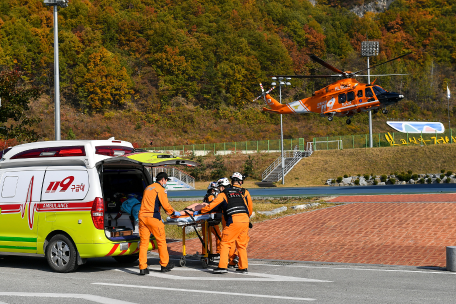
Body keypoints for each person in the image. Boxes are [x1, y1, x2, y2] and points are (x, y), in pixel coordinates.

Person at [196, 172, 253, 274]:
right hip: (245, 220)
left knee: (225, 243)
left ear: (221, 188)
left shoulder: (223, 194)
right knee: (241, 245)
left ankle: (222, 266)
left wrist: (200, 211)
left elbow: (211, 206)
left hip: (233, 221)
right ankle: (243, 267)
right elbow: (248, 208)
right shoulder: (240, 193)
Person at [138, 172, 180, 275]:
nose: (166, 182)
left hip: (142, 217)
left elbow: (151, 203)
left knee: (143, 243)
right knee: (161, 242)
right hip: (153, 218)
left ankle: (143, 267)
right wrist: (174, 213)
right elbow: (166, 205)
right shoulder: (161, 189)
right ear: (163, 180)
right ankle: (164, 265)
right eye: (166, 180)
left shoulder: (148, 188)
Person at [201, 182, 222, 255]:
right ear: (213, 189)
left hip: (204, 219)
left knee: (206, 238)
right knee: (218, 235)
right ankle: (219, 251)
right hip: (210, 220)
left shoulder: (207, 196)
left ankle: (204, 253)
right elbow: (212, 206)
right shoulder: (211, 197)